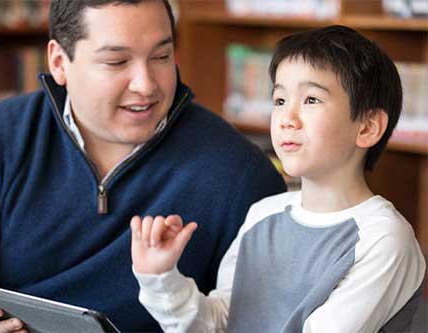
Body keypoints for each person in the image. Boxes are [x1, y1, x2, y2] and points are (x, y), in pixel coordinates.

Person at [0, 0, 285, 332]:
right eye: (116, 61)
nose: (146, 84)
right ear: (59, 62)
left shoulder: (239, 173)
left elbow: (268, 317)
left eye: (162, 57)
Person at [131, 25, 426, 332]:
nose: (287, 119)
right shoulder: (263, 214)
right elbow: (218, 324)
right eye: (280, 100)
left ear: (367, 127)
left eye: (311, 100)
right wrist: (161, 278)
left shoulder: (383, 238)